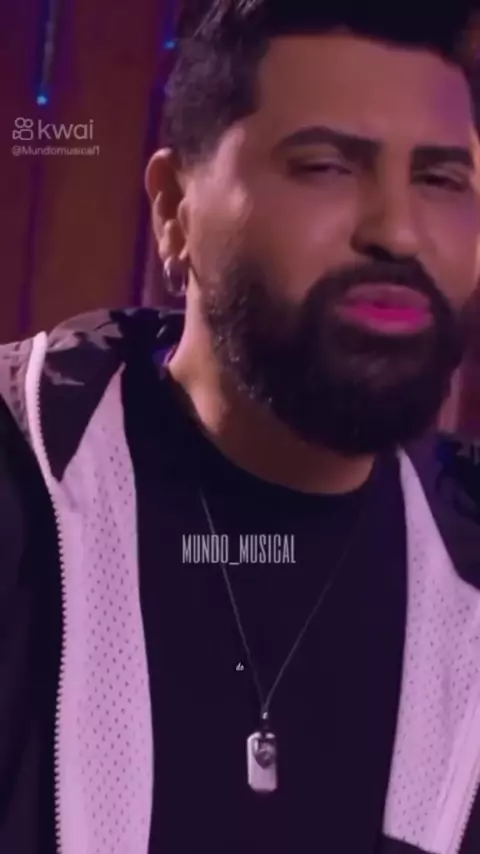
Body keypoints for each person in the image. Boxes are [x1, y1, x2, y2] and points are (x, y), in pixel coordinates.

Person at [1, 2, 480, 852]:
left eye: (441, 180)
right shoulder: (24, 485)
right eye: (326, 166)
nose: (397, 231)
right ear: (174, 212)